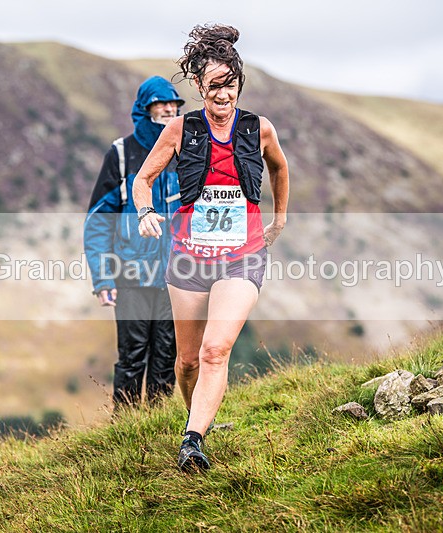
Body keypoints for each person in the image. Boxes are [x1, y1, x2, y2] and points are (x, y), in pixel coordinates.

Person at [132, 24, 290, 471]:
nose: (223, 95)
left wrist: (279, 218)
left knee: (215, 351)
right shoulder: (181, 130)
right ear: (199, 86)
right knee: (186, 361)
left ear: (240, 83)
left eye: (231, 85)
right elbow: (143, 180)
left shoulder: (259, 129)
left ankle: (192, 442)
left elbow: (279, 169)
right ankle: (195, 413)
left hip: (242, 255)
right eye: (214, 86)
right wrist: (145, 213)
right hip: (188, 257)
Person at [84, 76, 185, 408]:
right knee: (132, 355)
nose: (169, 109)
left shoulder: (186, 151)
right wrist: (102, 277)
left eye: (174, 105)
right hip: (130, 274)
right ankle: (125, 428)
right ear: (145, 109)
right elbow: (99, 221)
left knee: (167, 355)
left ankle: (156, 426)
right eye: (161, 105)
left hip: (177, 276)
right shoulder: (123, 153)